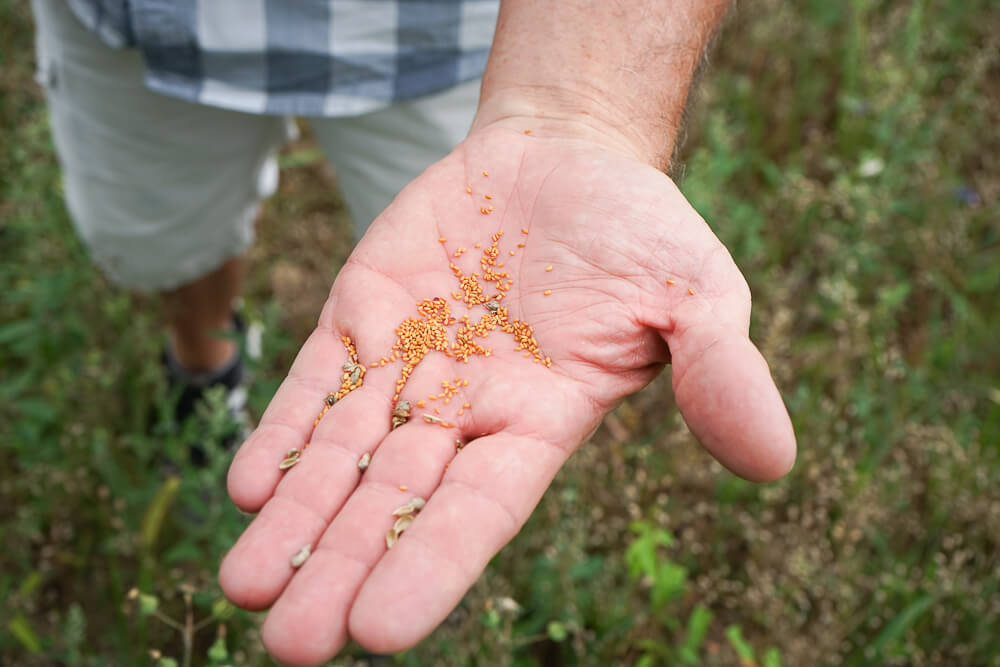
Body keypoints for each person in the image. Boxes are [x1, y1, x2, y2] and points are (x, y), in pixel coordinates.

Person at [34, 1, 797, 664]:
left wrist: (582, 113)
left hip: (454, 43)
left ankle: (407, 534)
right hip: (138, 29)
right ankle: (204, 363)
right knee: (166, 243)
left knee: (429, 234)